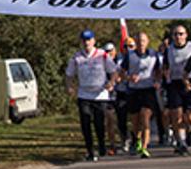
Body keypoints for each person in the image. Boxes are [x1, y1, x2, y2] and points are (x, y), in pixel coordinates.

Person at [64, 30, 118, 161]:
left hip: (100, 95)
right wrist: (69, 86)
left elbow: (114, 71)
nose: (86, 42)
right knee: (85, 122)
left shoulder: (103, 55)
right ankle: (89, 150)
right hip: (84, 94)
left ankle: (101, 145)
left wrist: (111, 83)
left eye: (89, 40)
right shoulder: (77, 57)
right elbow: (69, 74)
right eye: (84, 40)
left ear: (93, 41)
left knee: (99, 123)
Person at [120, 31, 164, 158]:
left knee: (145, 117)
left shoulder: (153, 55)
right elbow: (121, 73)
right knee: (135, 121)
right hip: (134, 90)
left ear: (147, 42)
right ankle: (137, 140)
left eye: (143, 41)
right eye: (138, 41)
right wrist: (129, 78)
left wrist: (157, 81)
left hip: (148, 90)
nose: (141, 44)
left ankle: (145, 147)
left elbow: (159, 71)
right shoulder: (130, 56)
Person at [161, 24, 191, 155]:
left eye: (181, 34)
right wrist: (165, 76)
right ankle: (181, 142)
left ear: (186, 35)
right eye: (176, 34)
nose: (178, 37)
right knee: (176, 116)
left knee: (190, 116)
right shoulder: (169, 50)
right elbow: (165, 66)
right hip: (175, 83)